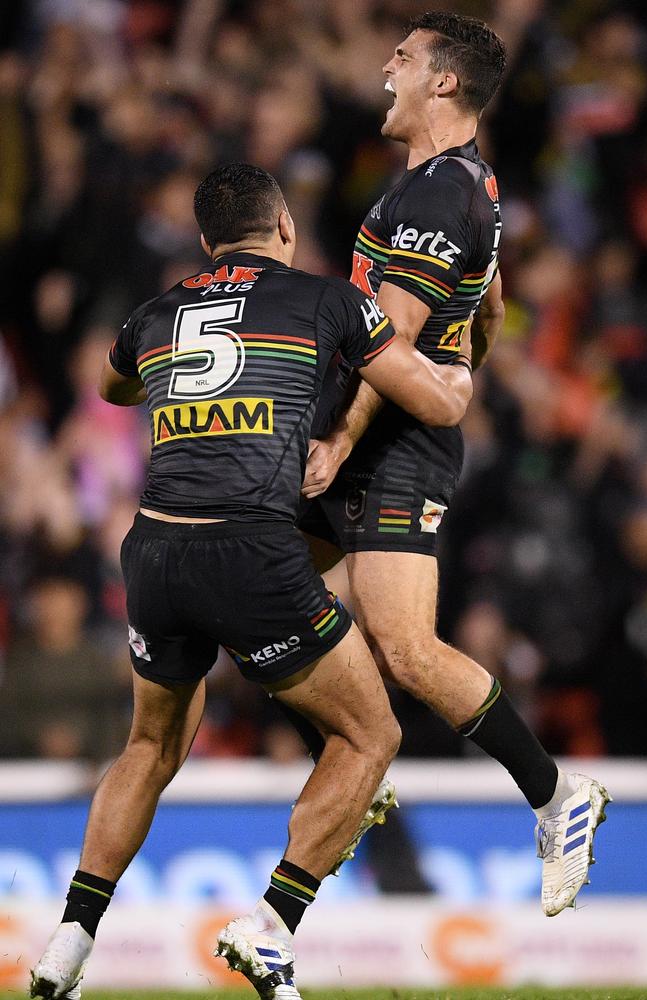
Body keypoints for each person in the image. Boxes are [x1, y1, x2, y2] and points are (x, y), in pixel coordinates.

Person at [30, 162, 474, 1000]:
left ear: (204, 243)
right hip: (254, 552)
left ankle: (69, 942)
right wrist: (461, 370)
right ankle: (273, 927)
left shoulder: (157, 311)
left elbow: (110, 382)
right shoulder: (326, 299)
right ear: (286, 229)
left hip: (155, 552)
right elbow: (431, 402)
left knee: (149, 747)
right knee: (370, 737)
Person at [297, 11, 610, 917]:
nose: (385, 68)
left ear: (443, 83)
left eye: (403, 57)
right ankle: (359, 754)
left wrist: (343, 440)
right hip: (368, 432)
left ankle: (557, 798)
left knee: (406, 648)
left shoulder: (439, 195)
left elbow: (391, 339)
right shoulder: (456, 186)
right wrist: (468, 363)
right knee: (256, 585)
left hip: (389, 445)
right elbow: (492, 299)